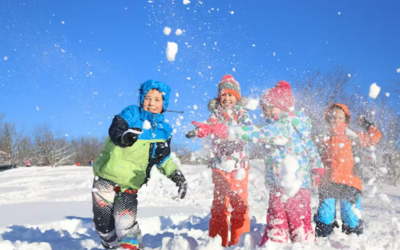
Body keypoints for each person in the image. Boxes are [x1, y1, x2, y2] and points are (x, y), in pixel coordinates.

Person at [92, 80, 187, 250]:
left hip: (130, 185)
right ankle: (111, 245)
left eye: (157, 100)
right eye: (148, 98)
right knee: (103, 225)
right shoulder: (132, 113)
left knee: (126, 227)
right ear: (142, 99)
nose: (151, 103)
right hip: (106, 178)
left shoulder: (164, 130)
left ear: (164, 104)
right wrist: (124, 137)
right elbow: (117, 127)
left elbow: (163, 159)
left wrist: (177, 176)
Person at [227, 81, 324, 245]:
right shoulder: (299, 127)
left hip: (283, 183)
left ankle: (274, 243)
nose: (266, 113)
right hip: (302, 184)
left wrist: (235, 131)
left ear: (283, 107)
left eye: (269, 108)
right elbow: (312, 149)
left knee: (277, 216)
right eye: (264, 109)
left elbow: (258, 133)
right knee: (300, 219)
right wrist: (317, 168)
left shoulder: (280, 126)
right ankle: (304, 244)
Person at [186, 75, 253, 247]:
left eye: (230, 95)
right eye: (223, 95)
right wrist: (199, 131)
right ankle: (217, 242)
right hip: (219, 165)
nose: (227, 98)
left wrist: (229, 131)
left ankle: (240, 242)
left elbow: (248, 130)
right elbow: (209, 126)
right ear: (219, 97)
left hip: (239, 165)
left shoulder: (241, 113)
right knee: (220, 205)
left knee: (239, 203)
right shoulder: (215, 114)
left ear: (237, 97)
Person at [314, 103, 382, 237]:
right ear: (328, 119)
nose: (336, 119)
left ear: (346, 119)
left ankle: (353, 240)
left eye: (340, 116)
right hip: (328, 181)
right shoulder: (323, 137)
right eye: (333, 116)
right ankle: (322, 241)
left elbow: (375, 137)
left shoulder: (354, 136)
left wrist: (367, 124)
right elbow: (307, 146)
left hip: (350, 180)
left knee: (350, 216)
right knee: (325, 216)